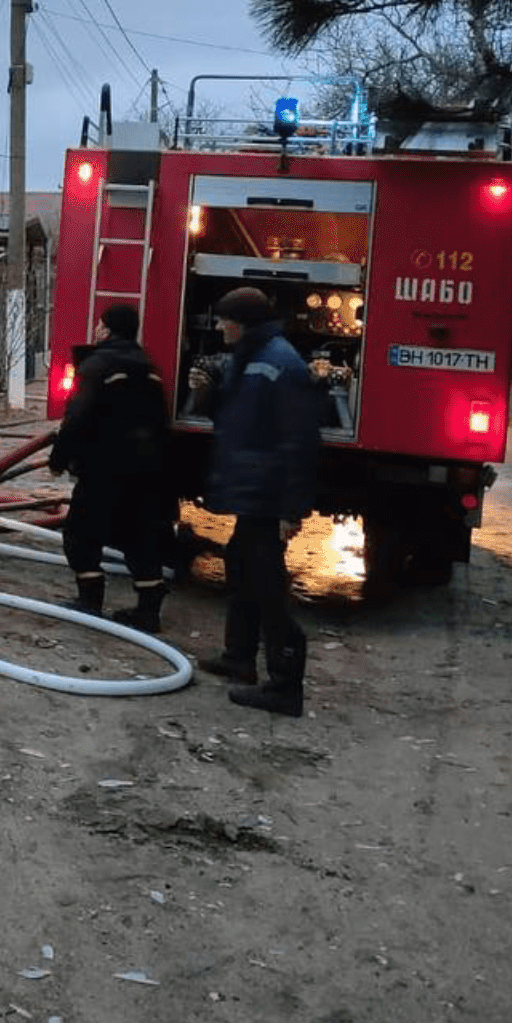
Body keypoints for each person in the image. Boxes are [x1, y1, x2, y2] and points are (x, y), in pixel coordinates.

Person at [186, 285, 326, 716]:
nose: (219, 326)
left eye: (225, 319)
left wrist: (291, 510)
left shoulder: (281, 364)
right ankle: (239, 659)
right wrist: (208, 395)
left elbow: (299, 443)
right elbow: (234, 416)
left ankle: (285, 686)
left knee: (267, 587)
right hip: (252, 494)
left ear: (242, 323)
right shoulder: (250, 359)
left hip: (268, 497)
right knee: (242, 567)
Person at [47, 303, 171, 628]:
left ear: (106, 329)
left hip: (102, 468)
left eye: (100, 325)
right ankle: (148, 611)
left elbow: (77, 418)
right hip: (147, 472)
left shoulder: (96, 365)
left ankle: (89, 600)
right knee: (139, 537)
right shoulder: (150, 368)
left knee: (80, 534)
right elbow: (162, 423)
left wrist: (58, 459)